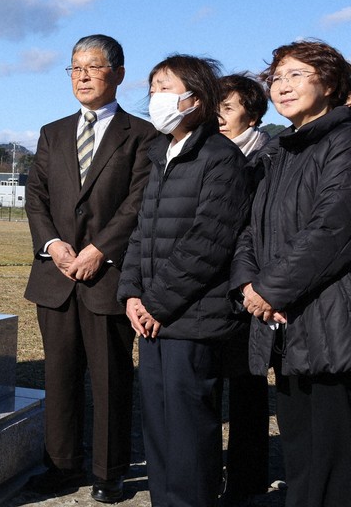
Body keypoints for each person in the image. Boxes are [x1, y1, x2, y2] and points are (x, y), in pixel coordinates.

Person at [24, 34, 157, 502]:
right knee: (58, 377)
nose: (82, 75)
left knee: (110, 378)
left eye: (93, 67)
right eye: (75, 67)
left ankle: (109, 470)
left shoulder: (142, 136)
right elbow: (36, 197)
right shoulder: (52, 132)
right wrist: (54, 245)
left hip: (108, 275)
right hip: (55, 276)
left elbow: (139, 202)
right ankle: (61, 465)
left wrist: (100, 249)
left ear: (118, 74)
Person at [117, 55, 250, 507]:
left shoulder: (220, 158)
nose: (156, 96)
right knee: (157, 424)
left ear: (195, 97)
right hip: (152, 317)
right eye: (153, 87)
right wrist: (131, 294)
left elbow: (208, 243)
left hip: (192, 317)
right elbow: (142, 231)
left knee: (189, 427)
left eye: (166, 87)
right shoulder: (162, 154)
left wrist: (155, 303)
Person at [231, 40, 351, 507]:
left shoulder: (342, 140)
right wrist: (247, 286)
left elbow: (333, 228)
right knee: (300, 443)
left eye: (297, 74)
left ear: (330, 82)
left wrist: (270, 289)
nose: (283, 85)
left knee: (332, 450)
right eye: (277, 76)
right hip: (282, 319)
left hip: (328, 317)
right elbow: (248, 227)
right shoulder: (280, 149)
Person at [217, 74, 271, 503]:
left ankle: (247, 478)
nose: (219, 116)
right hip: (210, 292)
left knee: (249, 389)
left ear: (252, 116)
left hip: (249, 291)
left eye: (228, 108)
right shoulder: (211, 155)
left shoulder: (267, 158)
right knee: (209, 385)